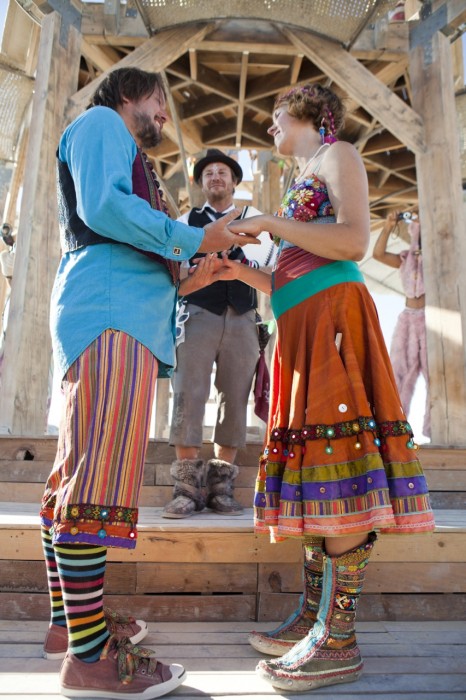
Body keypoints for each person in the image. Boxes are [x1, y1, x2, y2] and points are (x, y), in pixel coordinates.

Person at [39, 68, 257, 700]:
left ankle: (69, 626)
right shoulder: (103, 123)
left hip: (117, 311)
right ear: (128, 94)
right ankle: (89, 660)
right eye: (160, 101)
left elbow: (130, 239)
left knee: (76, 475)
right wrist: (194, 235)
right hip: (110, 314)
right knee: (96, 480)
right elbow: (103, 208)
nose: (164, 115)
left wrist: (192, 269)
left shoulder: (125, 150)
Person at [212, 83, 435, 693]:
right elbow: (291, 271)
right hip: (299, 325)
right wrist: (241, 269)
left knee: (336, 459)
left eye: (275, 117)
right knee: (315, 465)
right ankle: (315, 621)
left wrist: (267, 220)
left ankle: (338, 640)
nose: (269, 129)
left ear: (306, 114)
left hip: (333, 319)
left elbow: (354, 243)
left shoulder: (339, 155)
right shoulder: (302, 173)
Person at [163, 149, 260, 519]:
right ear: (201, 183)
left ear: (235, 181)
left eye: (223, 172)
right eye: (208, 173)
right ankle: (186, 487)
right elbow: (176, 265)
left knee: (235, 394)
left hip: (243, 316)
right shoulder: (186, 220)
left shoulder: (255, 220)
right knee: (188, 388)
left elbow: (267, 265)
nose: (216, 177)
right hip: (198, 313)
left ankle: (222, 486)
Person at [373, 210, 431, 438]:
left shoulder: (440, 255)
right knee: (398, 372)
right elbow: (378, 254)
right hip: (408, 317)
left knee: (436, 374)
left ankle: (435, 429)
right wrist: (388, 226)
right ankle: (394, 431)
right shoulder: (405, 258)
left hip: (432, 318)